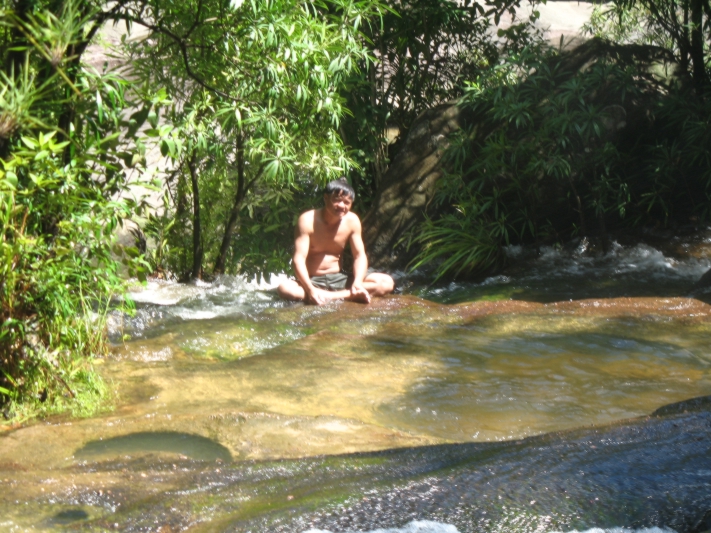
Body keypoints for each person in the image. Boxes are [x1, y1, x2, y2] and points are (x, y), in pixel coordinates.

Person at [277, 178, 395, 305]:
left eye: (347, 202)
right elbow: (298, 259)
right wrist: (310, 289)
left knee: (386, 282)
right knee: (285, 289)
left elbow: (359, 256)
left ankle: (331, 296)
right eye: (337, 200)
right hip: (312, 281)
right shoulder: (307, 220)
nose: (341, 206)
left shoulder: (352, 221)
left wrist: (358, 283)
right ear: (326, 198)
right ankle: (347, 295)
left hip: (339, 278)